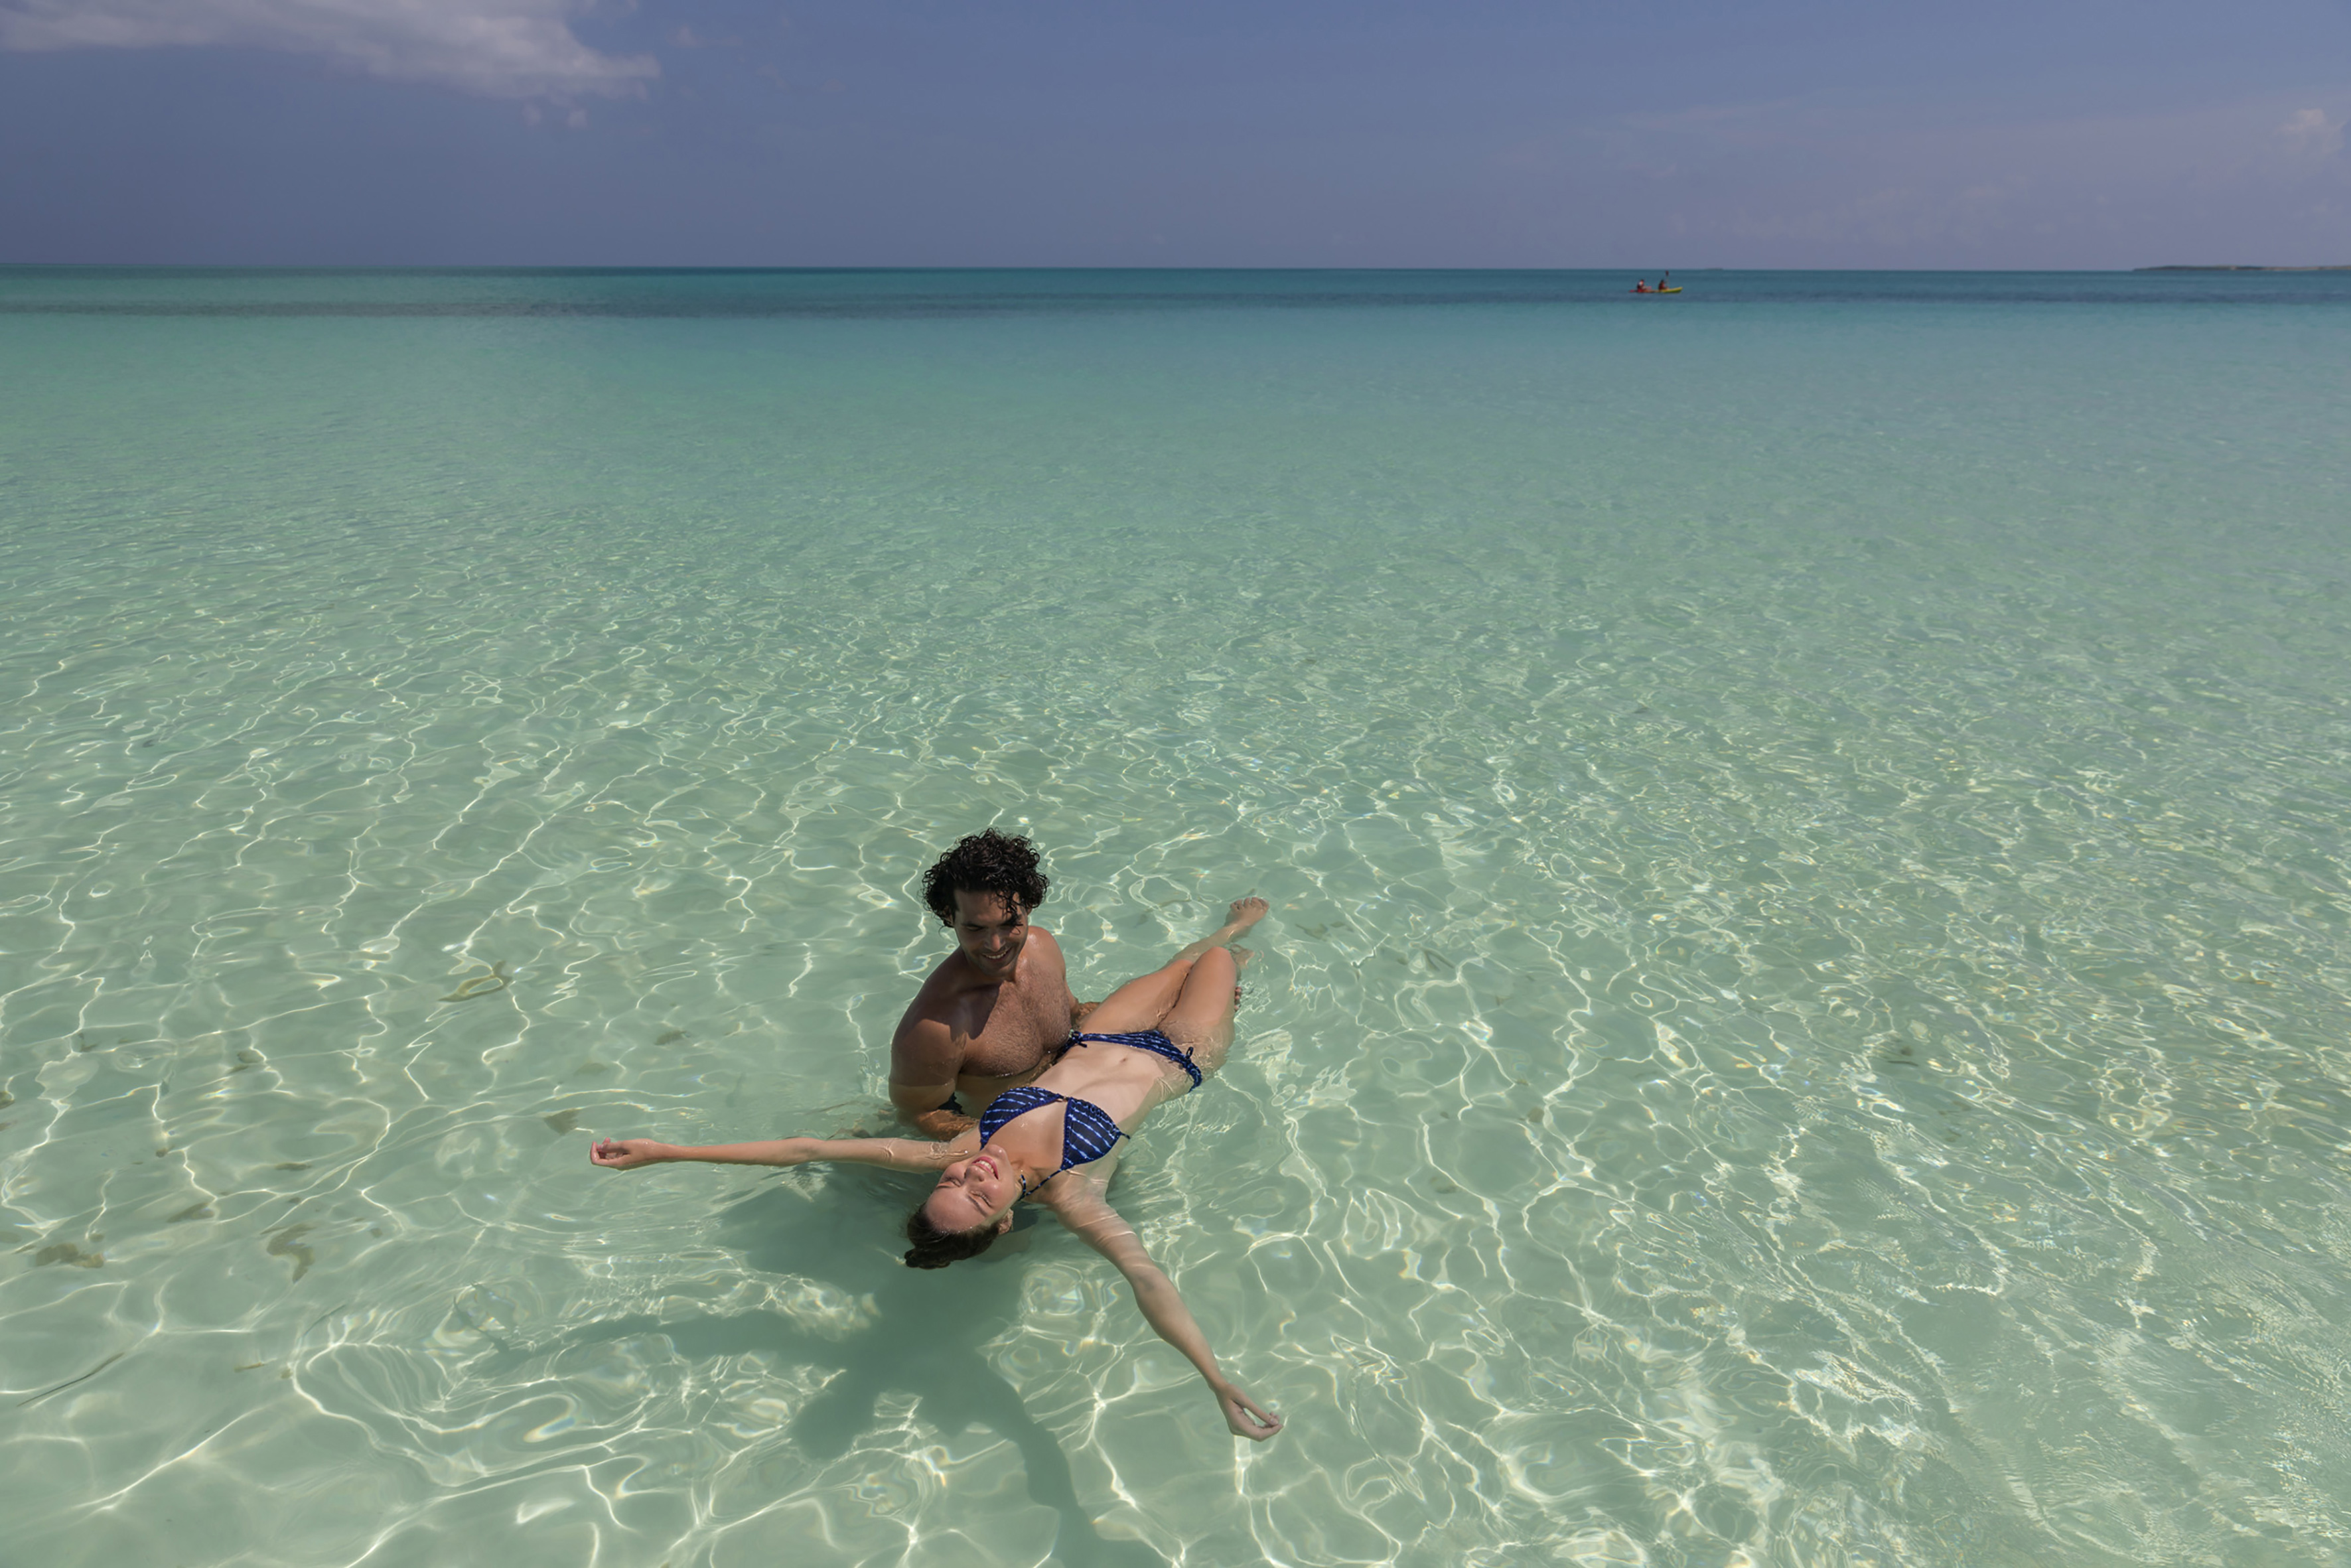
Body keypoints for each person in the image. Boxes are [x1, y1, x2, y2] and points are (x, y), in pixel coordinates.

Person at [592, 898, 1283, 1441]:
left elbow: (804, 1149)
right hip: (1179, 1053)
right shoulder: (1077, 1194)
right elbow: (1145, 1277)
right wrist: (1215, 1379)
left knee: (1188, 955)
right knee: (1219, 968)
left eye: (952, 1183)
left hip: (1100, 1032)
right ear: (1005, 1217)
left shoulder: (954, 1150)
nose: (968, 1175)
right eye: (978, 1194)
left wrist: (667, 1151)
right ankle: (1238, 951)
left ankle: (1226, 928)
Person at [889, 830, 1264, 1138]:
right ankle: (1228, 959)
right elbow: (920, 1115)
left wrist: (1159, 1012)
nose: (996, 946)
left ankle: (1230, 933)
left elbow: (1073, 1014)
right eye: (975, 929)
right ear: (948, 916)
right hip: (1044, 1122)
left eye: (1009, 924)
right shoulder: (934, 1027)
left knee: (1185, 974)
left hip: (1089, 1065)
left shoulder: (1042, 948)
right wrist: (1022, 1141)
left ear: (1028, 906)